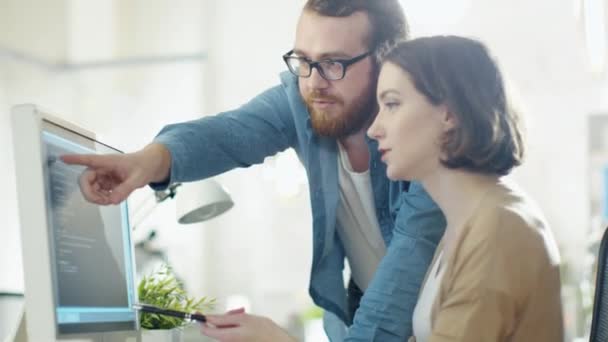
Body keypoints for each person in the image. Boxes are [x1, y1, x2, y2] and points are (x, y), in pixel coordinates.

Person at [61, 0, 446, 341]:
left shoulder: (425, 142)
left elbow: (403, 277)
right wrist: (146, 162)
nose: (313, 82)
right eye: (303, 61)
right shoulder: (303, 101)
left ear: (388, 60)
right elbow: (229, 133)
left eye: (332, 64)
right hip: (366, 309)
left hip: (448, 318)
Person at [366, 36, 564, 341]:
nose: (374, 129)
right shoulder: (464, 223)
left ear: (450, 113)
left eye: (392, 104)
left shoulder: (499, 228)